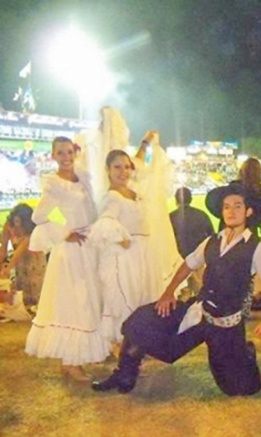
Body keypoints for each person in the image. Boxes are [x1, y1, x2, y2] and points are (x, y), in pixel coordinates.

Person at [91, 183, 261, 396]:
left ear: (248, 211)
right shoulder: (212, 241)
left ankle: (245, 352)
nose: (231, 211)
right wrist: (168, 293)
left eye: (238, 206)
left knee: (239, 388)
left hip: (226, 326)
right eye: (227, 206)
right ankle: (124, 374)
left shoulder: (257, 247)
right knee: (143, 319)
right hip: (199, 313)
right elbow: (188, 264)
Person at [25, 136, 109, 381]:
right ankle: (71, 361)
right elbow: (38, 217)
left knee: (89, 299)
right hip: (72, 251)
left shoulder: (82, 177)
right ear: (53, 156)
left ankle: (76, 356)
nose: (66, 157)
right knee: (76, 302)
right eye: (60, 153)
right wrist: (64, 233)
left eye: (69, 152)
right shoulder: (55, 184)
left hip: (89, 245)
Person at [89, 131, 182, 349]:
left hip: (143, 256)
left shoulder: (132, 189)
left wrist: (146, 142)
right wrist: (123, 239)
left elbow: (138, 161)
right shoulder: (112, 196)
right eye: (117, 167)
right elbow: (105, 221)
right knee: (127, 304)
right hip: (126, 259)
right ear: (108, 171)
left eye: (126, 166)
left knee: (141, 302)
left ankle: (135, 352)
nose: (123, 171)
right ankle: (125, 358)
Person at [169, 187, 214, 296]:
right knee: (200, 292)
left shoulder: (171, 217)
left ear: (176, 200)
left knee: (182, 293)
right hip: (197, 258)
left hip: (178, 260)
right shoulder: (201, 215)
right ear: (191, 199)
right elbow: (212, 236)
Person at [0, 203, 46, 307]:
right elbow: (3, 249)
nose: (17, 226)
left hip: (35, 264)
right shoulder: (8, 227)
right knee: (21, 295)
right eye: (15, 221)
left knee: (35, 296)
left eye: (20, 222)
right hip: (20, 265)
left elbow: (19, 251)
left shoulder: (31, 233)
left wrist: (8, 268)